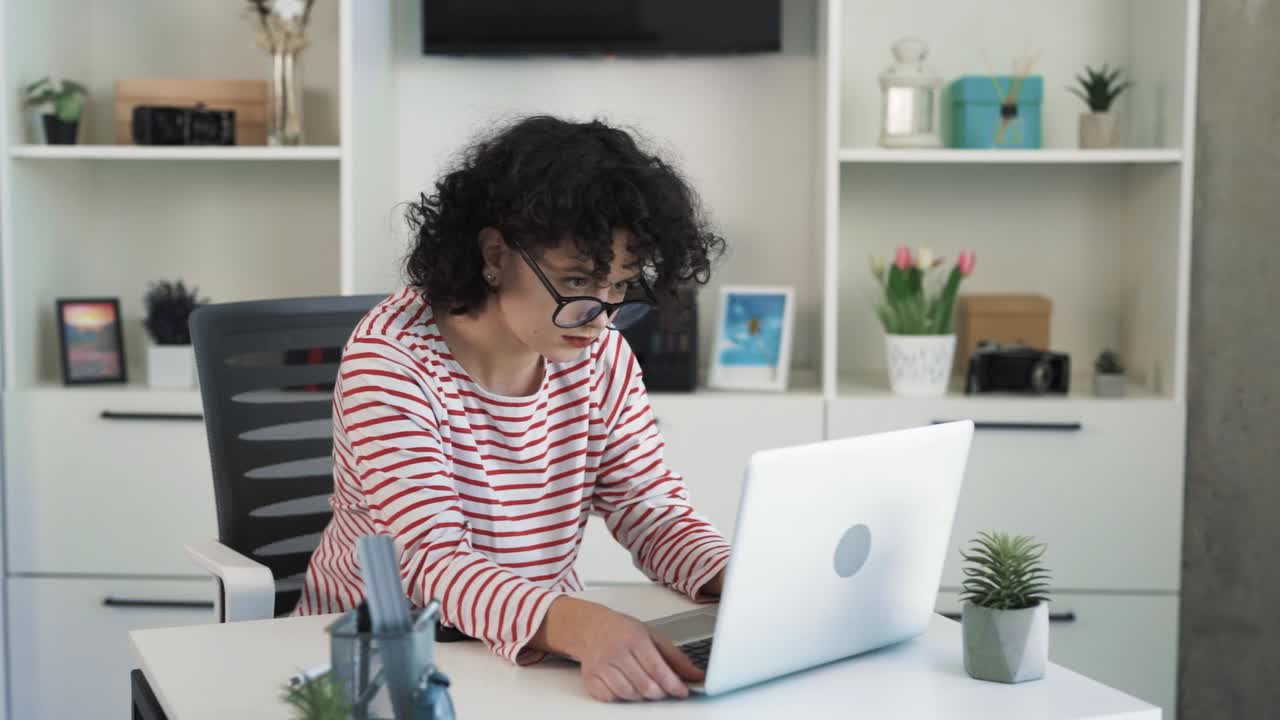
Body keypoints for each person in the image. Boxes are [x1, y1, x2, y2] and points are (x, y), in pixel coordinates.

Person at [295, 115, 731, 703]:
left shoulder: (598, 356)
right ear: (495, 254)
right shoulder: (391, 363)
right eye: (577, 281)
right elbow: (429, 564)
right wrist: (585, 624)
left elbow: (648, 507)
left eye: (622, 285)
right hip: (384, 663)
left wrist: (742, 579)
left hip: (533, 650)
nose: (600, 316)